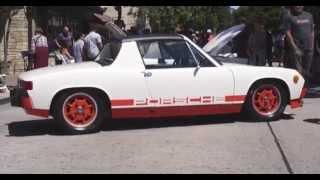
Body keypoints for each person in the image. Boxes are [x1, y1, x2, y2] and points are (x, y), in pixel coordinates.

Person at [282, 6, 314, 87]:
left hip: (309, 48)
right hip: (297, 48)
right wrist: (295, 48)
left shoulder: (309, 15)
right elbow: (288, 33)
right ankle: (297, 90)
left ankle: (304, 89)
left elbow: (312, 30)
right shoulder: (289, 16)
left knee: (306, 71)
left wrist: (312, 45)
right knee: (298, 71)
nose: (298, 6)